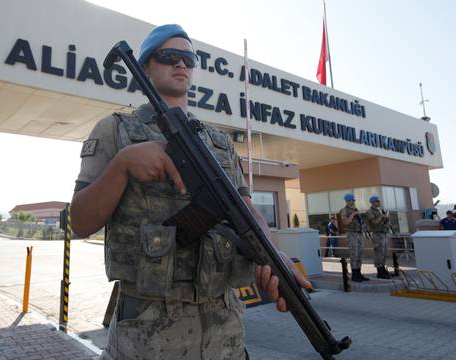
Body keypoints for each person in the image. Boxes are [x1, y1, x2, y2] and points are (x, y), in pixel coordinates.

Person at [70, 24, 309, 360]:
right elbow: (78, 222)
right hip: (147, 335)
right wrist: (122, 165)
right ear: (145, 67)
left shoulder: (219, 141)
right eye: (169, 57)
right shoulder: (116, 130)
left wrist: (274, 257)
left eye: (188, 58)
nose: (180, 64)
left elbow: (245, 209)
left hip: (224, 333)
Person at [339, 193, 369, 282]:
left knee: (360, 254)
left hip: (359, 234)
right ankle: (354, 275)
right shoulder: (344, 210)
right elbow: (345, 222)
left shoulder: (355, 209)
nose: (352, 202)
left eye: (352, 200)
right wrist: (353, 215)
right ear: (347, 201)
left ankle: (359, 273)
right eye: (350, 200)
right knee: (354, 254)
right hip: (352, 234)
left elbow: (360, 222)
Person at [365, 196, 391, 279]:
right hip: (377, 234)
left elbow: (383, 221)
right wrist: (382, 216)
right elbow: (375, 222)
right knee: (379, 253)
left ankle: (383, 269)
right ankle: (379, 271)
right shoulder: (370, 212)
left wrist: (386, 217)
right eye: (377, 201)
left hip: (383, 233)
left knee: (383, 252)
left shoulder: (379, 210)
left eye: (379, 201)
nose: (379, 202)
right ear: (372, 202)